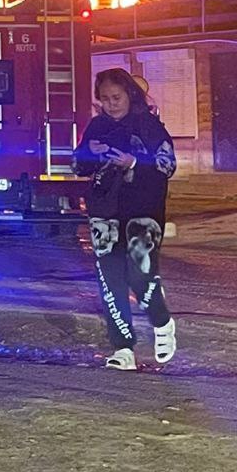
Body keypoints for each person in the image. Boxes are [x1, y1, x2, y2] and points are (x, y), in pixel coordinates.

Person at [74, 67, 178, 370]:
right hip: (104, 212)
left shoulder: (148, 125)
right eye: (104, 99)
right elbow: (78, 166)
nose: (111, 104)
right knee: (110, 280)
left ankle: (162, 322)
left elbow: (167, 165)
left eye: (116, 97)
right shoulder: (97, 125)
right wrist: (89, 152)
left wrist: (133, 162)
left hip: (143, 212)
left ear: (130, 94)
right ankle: (123, 349)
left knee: (139, 274)